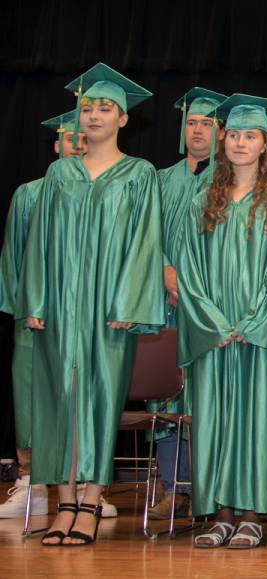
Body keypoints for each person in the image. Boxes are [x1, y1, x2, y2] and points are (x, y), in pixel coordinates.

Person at [16, 63, 163, 546]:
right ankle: (64, 503)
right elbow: (39, 242)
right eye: (88, 108)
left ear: (124, 119)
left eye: (105, 108)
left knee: (100, 400)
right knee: (58, 401)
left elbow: (146, 243)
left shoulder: (139, 174)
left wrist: (129, 301)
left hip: (109, 309)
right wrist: (34, 299)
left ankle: (90, 502)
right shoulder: (59, 173)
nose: (94, 115)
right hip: (58, 304)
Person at [178, 94, 267, 549]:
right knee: (212, 419)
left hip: (258, 330)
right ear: (223, 140)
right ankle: (220, 514)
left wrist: (250, 321)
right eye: (234, 135)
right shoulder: (200, 200)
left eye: (250, 136)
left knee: (259, 419)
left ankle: (251, 514)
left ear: (265, 145)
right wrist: (212, 321)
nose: (240, 143)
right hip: (213, 331)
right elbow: (188, 268)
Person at [0, 111, 87, 520]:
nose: (78, 144)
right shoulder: (30, 194)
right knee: (33, 397)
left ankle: (87, 487)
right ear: (56, 144)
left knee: (83, 398)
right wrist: (26, 306)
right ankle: (31, 482)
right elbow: (14, 257)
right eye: (71, 138)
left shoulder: (103, 194)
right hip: (36, 317)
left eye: (85, 138)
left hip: (83, 317)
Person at [146, 86, 227, 521]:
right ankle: (171, 487)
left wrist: (197, 288)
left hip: (211, 303)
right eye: (191, 122)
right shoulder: (159, 180)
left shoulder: (231, 181)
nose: (197, 130)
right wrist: (165, 273)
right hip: (166, 301)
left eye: (207, 124)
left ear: (222, 131)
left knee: (207, 395)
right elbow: (143, 235)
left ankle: (209, 487)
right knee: (166, 398)